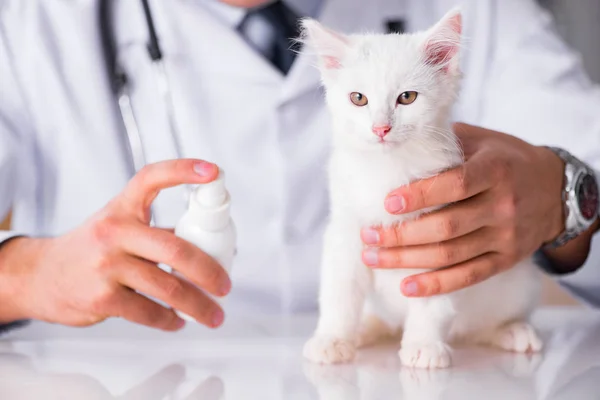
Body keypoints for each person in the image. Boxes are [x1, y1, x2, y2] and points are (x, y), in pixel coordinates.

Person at [0, 0, 598, 332]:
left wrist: (568, 197)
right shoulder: (31, 24)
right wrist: (24, 275)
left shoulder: (477, 12)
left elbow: (588, 167)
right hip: (121, 375)